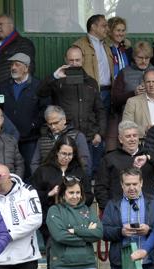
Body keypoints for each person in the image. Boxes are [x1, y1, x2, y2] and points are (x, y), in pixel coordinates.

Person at [37, 46, 106, 176]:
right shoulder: (58, 80)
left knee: (86, 174)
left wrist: (100, 133)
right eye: (71, 60)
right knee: (63, 174)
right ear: (65, 60)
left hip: (88, 137)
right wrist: (54, 76)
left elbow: (100, 110)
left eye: (77, 60)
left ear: (83, 59)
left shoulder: (91, 82)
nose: (74, 64)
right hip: (65, 138)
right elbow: (40, 92)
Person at [47, 177, 103, 269]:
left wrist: (75, 231)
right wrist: (85, 237)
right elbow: (59, 235)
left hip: (87, 265)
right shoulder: (54, 210)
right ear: (63, 194)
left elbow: (98, 233)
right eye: (71, 192)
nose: (75, 196)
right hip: (63, 265)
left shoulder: (88, 210)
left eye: (78, 192)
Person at [94, 120, 154, 210]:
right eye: (128, 136)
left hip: (146, 209)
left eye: (135, 135)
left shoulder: (148, 155)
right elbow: (100, 188)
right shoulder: (109, 158)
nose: (132, 139)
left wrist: (148, 158)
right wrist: (109, 209)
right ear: (120, 139)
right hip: (118, 210)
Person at [31, 135, 93, 243]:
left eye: (70, 154)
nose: (67, 157)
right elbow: (31, 196)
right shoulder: (43, 170)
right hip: (50, 221)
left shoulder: (79, 171)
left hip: (76, 221)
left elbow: (89, 196)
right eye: (64, 153)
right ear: (56, 152)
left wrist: (76, 197)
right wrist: (49, 194)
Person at [0, 52, 43, 178]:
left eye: (17, 64)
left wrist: (33, 125)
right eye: (12, 64)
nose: (13, 67)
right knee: (9, 169)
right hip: (8, 137)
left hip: (30, 138)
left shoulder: (38, 86)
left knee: (29, 169)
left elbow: (44, 109)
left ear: (26, 68)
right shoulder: (4, 86)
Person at [30, 105, 90, 175]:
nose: (53, 127)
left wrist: (72, 182)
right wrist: (41, 180)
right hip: (46, 181)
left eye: (56, 123)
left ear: (64, 120)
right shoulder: (42, 139)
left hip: (71, 181)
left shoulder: (78, 136)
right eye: (49, 124)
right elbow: (35, 163)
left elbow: (85, 163)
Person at [111, 41, 154, 114]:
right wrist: (133, 93)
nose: (143, 61)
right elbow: (115, 99)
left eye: (146, 58)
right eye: (140, 58)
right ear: (134, 56)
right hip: (130, 114)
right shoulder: (124, 72)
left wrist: (153, 92)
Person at [0, 14, 35, 93]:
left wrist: (16, 91)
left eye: (1, 24)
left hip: (11, 92)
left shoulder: (23, 43)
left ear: (11, 26)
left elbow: (28, 68)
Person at [122, 68, 154, 138]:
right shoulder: (132, 102)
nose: (151, 85)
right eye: (148, 82)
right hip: (145, 142)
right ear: (144, 84)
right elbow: (126, 126)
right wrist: (145, 130)